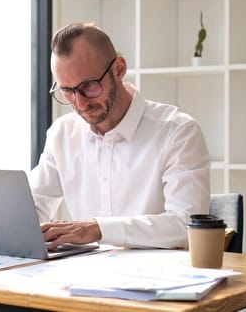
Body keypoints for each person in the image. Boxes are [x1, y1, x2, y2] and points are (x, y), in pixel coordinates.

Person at [30, 22, 210, 250]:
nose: (80, 103)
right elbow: (31, 209)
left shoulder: (178, 132)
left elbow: (186, 225)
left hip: (155, 279)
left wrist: (97, 229)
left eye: (89, 86)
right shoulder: (62, 133)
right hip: (81, 276)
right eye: (67, 91)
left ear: (118, 69)